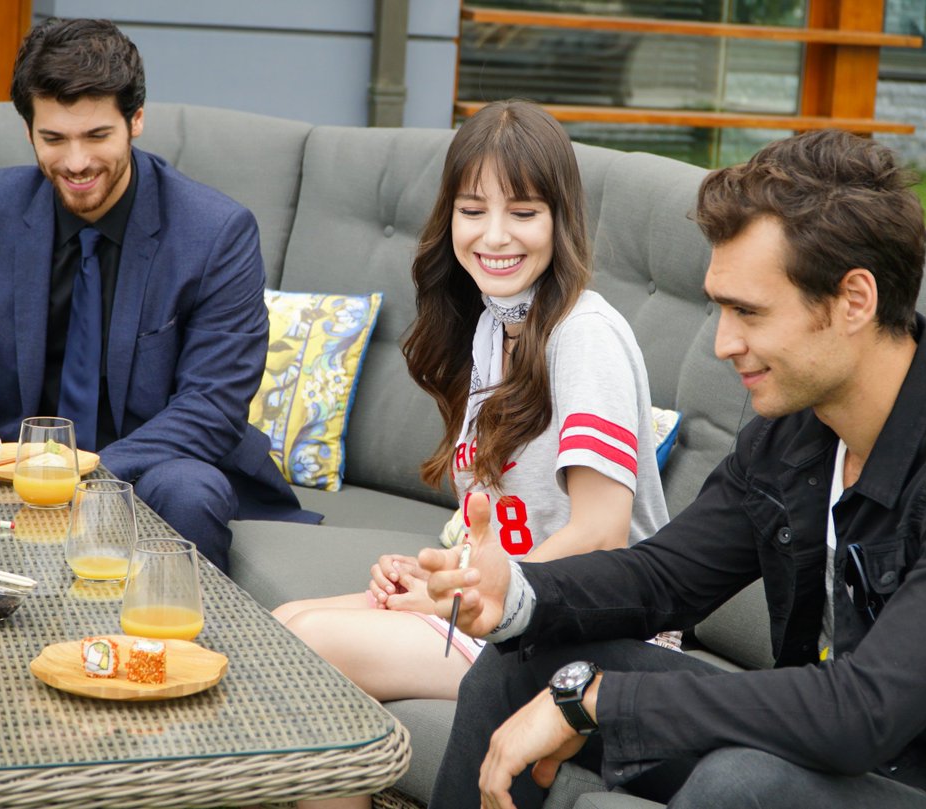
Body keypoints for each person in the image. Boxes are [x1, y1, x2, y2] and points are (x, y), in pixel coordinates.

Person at [421, 129, 926, 809]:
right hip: (835, 748)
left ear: (854, 300)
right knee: (523, 668)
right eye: (720, 307)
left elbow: (865, 710)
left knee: (741, 785)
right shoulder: (797, 435)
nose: (724, 343)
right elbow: (662, 577)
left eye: (748, 312)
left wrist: (603, 700)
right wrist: (517, 591)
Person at [272, 100, 669, 783]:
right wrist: (436, 572)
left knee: (312, 642)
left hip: (593, 631)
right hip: (513, 605)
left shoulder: (585, 337)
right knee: (282, 622)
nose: (495, 235)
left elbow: (602, 534)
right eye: (472, 209)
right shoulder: (493, 328)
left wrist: (460, 596)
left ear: (561, 219)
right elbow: (502, 522)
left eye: (523, 211)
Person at [0, 18, 318, 572]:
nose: (76, 162)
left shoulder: (216, 232)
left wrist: (81, 477)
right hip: (8, 457)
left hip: (154, 461)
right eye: (54, 139)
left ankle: (178, 628)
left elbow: (212, 405)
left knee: (188, 491)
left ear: (136, 120)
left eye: (97, 136)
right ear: (29, 130)